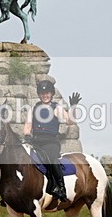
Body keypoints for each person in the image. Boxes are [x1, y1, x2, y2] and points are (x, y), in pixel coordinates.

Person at [23, 79, 81, 209]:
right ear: (39, 94)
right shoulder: (33, 109)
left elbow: (70, 121)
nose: (45, 95)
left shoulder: (56, 108)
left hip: (50, 142)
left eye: (47, 93)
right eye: (42, 93)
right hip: (36, 141)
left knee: (51, 160)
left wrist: (73, 107)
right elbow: (28, 125)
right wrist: (27, 135)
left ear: (51, 94)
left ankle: (60, 188)